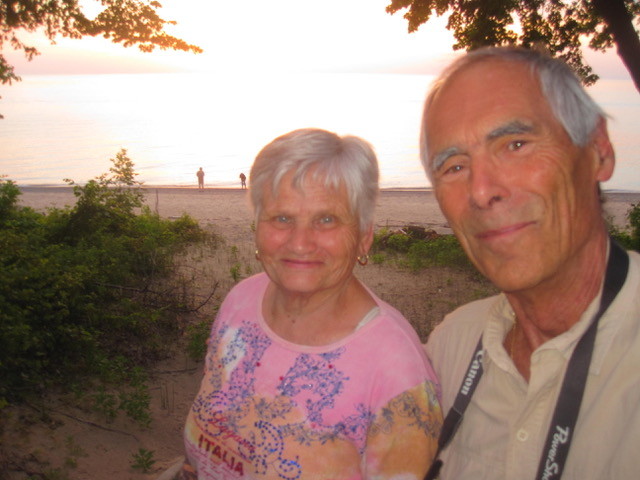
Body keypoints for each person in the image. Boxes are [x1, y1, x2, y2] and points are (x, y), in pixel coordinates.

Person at [419, 46, 640, 480]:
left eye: (515, 145)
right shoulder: (450, 348)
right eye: (454, 166)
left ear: (599, 150)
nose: (481, 191)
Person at [182, 128, 442, 479]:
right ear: (257, 226)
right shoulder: (240, 302)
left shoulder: (397, 372)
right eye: (282, 218)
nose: (300, 243)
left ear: (364, 236)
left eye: (326, 219)